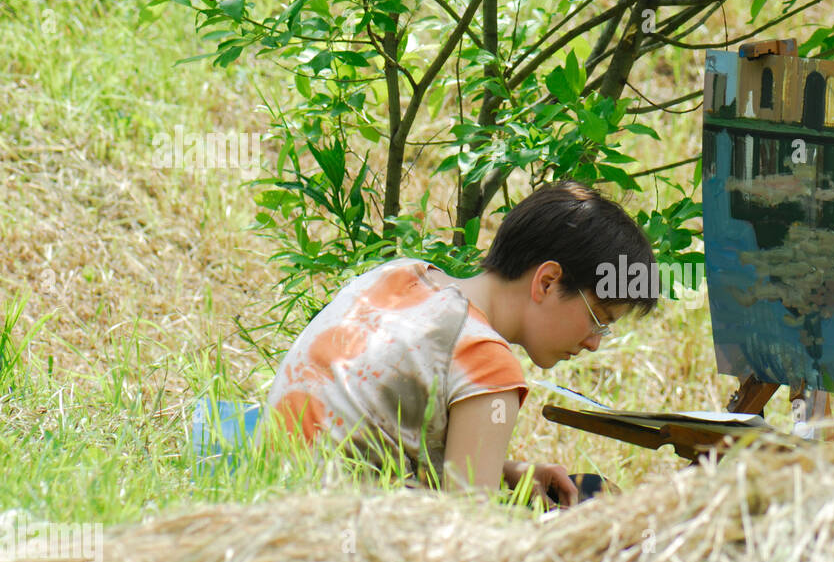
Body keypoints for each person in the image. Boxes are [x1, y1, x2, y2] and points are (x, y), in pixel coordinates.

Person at [255, 181, 658, 507]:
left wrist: (505, 470)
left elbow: (371, 436)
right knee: (601, 505)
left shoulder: (399, 276)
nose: (593, 344)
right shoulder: (485, 360)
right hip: (339, 550)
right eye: (598, 320)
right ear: (547, 281)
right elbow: (468, 539)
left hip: (265, 503)